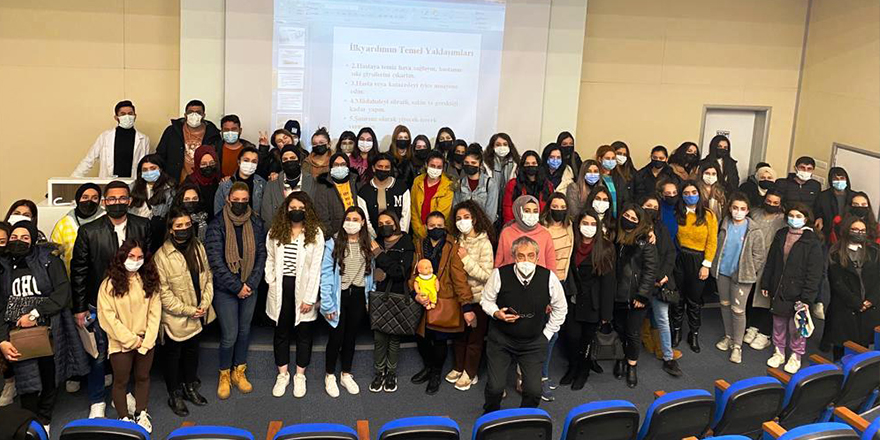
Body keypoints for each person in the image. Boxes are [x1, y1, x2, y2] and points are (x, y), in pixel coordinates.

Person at [71, 180, 150, 418]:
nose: (117, 203)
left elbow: (148, 263)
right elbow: (79, 271)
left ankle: (122, 393)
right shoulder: (89, 231)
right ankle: (97, 400)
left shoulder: (142, 226)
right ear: (105, 202)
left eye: (122, 198)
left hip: (132, 305)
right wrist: (79, 308)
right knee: (98, 354)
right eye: (112, 199)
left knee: (124, 352)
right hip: (98, 304)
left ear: (129, 200)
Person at [0, 220, 89, 432]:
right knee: (26, 378)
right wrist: (2, 339)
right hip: (17, 332)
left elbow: (62, 292)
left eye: (25, 238)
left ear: (33, 239)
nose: (18, 241)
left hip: (49, 328)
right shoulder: (3, 266)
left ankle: (45, 419)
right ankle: (29, 424)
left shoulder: (49, 260)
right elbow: (1, 305)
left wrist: (35, 313)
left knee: (50, 373)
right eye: (14, 237)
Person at [480, 236, 567, 413]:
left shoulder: (549, 278)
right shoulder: (499, 274)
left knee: (534, 391)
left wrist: (547, 334)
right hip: (501, 340)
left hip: (533, 342)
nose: (526, 260)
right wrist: (496, 313)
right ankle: (489, 415)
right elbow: (486, 300)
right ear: (514, 257)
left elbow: (561, 308)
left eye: (530, 255)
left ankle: (525, 418)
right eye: (520, 256)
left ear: (537, 257)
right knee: (495, 388)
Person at [204, 182, 267, 399]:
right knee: (230, 335)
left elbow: (262, 255)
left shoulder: (256, 222)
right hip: (226, 289)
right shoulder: (216, 224)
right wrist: (237, 286)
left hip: (250, 286)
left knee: (244, 331)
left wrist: (250, 284)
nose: (240, 203)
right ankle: (224, 373)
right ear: (228, 199)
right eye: (236, 200)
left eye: (244, 200)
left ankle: (239, 371)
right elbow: (215, 261)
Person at [153, 208, 213, 416]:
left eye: (188, 224)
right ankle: (174, 394)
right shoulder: (161, 256)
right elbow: (164, 294)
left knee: (192, 353)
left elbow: (207, 277)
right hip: (175, 319)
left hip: (198, 314)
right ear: (171, 229)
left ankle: (190, 387)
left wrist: (205, 303)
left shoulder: (198, 247)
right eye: (179, 226)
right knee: (172, 358)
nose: (184, 229)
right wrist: (189, 310)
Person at [97, 239, 161, 431]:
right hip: (120, 343)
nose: (135, 261)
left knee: (143, 377)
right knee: (121, 381)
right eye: (131, 256)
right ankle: (124, 418)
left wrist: (147, 341)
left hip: (146, 341)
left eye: (139, 257)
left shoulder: (149, 281)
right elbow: (108, 318)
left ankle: (141, 413)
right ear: (122, 257)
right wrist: (132, 340)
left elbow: (155, 313)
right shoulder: (108, 285)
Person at [265, 192, 324, 399]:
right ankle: (283, 375)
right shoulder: (275, 230)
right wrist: (271, 280)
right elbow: (270, 258)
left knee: (304, 333)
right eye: (292, 208)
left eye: (300, 208)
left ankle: (300, 375)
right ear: (286, 209)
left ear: (307, 210)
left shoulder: (315, 233)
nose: (296, 211)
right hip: (281, 287)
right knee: (281, 332)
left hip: (305, 289)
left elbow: (316, 268)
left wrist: (309, 298)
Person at [409, 211, 474, 394]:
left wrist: (466, 305)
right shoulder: (419, 244)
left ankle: (436, 373)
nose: (436, 229)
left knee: (439, 339)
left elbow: (459, 278)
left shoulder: (451, 246)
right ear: (426, 227)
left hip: (443, 298)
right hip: (422, 297)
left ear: (445, 226)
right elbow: (413, 272)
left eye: (439, 226)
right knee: (421, 337)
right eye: (432, 226)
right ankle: (428, 367)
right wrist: (415, 293)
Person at [319, 206, 375, 397]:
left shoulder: (368, 243)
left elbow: (371, 273)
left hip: (358, 296)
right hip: (339, 296)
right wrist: (327, 304)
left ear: (363, 222)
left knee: (351, 337)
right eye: (348, 219)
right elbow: (326, 275)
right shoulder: (333, 243)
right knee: (336, 337)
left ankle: (346, 374)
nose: (351, 223)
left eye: (355, 219)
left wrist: (369, 296)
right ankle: (329, 375)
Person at [762, 203, 823, 373]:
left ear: (806, 219)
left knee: (796, 326)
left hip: (799, 291)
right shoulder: (781, 234)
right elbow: (771, 261)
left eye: (798, 216)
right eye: (791, 215)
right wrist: (766, 282)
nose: (794, 219)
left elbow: (815, 273)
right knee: (778, 323)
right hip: (779, 287)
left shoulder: (812, 241)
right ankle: (779, 352)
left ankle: (796, 355)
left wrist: (807, 297)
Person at [560, 209, 615, 389]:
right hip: (573, 300)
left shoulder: (605, 247)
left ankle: (583, 372)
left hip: (593, 303)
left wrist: (606, 314)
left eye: (593, 224)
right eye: (585, 223)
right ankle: (572, 367)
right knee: (572, 337)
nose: (589, 227)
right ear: (578, 225)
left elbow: (608, 283)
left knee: (587, 340)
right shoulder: (571, 244)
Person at [710, 193, 767, 364]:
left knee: (738, 310)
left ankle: (737, 346)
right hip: (723, 272)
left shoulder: (754, 230)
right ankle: (728, 336)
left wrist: (748, 270)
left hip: (742, 277)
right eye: (735, 208)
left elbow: (759, 256)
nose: (738, 211)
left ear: (748, 211)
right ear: (730, 208)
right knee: (725, 305)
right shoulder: (723, 224)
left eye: (742, 209)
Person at [446, 201, 494, 392]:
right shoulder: (456, 240)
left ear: (474, 219)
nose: (462, 221)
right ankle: (459, 367)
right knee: (459, 336)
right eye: (458, 218)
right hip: (460, 298)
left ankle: (470, 372)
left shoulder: (484, 242)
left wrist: (465, 259)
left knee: (475, 339)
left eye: (466, 217)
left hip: (478, 299)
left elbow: (487, 275)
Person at [611, 204, 657, 388]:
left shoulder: (645, 240)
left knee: (633, 332)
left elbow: (650, 271)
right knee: (620, 329)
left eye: (634, 218)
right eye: (627, 216)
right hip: (617, 294)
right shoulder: (616, 237)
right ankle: (621, 358)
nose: (629, 220)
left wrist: (642, 296)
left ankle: (632, 365)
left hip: (636, 296)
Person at [369, 210, 415, 393]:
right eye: (380, 224)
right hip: (378, 294)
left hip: (397, 294)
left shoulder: (406, 241)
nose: (384, 226)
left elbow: (400, 272)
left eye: (387, 222)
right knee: (379, 337)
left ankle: (391, 373)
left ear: (395, 223)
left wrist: (379, 254)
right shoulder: (377, 241)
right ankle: (379, 372)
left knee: (394, 337)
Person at [670, 181, 718, 353]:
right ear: (681, 196)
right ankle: (676, 331)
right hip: (679, 258)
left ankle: (694, 333)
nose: (690, 195)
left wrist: (706, 264)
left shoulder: (709, 215)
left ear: (699, 194)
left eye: (693, 192)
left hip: (698, 260)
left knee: (694, 300)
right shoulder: (676, 213)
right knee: (677, 298)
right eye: (686, 193)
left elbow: (712, 241)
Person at [823, 216, 880, 361]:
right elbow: (837, 283)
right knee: (841, 349)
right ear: (847, 230)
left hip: (869, 306)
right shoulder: (835, 252)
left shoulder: (875, 251)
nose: (859, 233)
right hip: (844, 307)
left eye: (862, 230)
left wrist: (870, 301)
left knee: (862, 348)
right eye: (855, 229)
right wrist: (856, 303)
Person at [639, 195, 682, 376]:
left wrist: (662, 275)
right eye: (648, 205)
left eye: (655, 207)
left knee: (663, 319)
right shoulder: (634, 229)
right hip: (640, 283)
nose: (651, 209)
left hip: (660, 282)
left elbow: (670, 253)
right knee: (634, 320)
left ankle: (668, 357)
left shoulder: (662, 228)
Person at [539, 193, 573, 400]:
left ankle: (539, 374)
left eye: (562, 206)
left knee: (554, 333)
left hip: (562, 284)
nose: (559, 210)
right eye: (555, 206)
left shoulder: (570, 226)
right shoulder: (542, 229)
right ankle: (540, 376)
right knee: (547, 334)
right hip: (546, 286)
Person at [743, 190, 786, 352]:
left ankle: (764, 332)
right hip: (751, 260)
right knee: (750, 295)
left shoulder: (783, 220)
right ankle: (752, 326)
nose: (771, 205)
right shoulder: (754, 214)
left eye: (775, 203)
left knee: (765, 297)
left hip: (770, 263)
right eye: (769, 201)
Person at [73, 100, 150, 178]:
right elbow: (89, 160)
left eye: (130, 114)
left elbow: (147, 164)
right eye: (123, 114)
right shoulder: (105, 137)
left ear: (135, 116)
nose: (127, 117)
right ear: (116, 117)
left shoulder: (144, 139)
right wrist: (73, 179)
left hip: (133, 181)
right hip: (109, 181)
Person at [156, 100, 221, 182]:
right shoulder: (172, 131)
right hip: (176, 180)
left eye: (198, 112)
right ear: (185, 115)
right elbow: (160, 155)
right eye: (190, 112)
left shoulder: (213, 134)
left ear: (203, 115)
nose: (194, 115)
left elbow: (218, 159)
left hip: (203, 181)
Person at [50, 183, 104, 271]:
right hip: (71, 275)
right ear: (78, 199)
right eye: (85, 197)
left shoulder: (106, 220)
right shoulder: (64, 223)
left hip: (103, 276)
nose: (89, 201)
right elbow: (54, 253)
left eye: (94, 198)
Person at [128, 154, 177, 253]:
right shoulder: (132, 187)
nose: (149, 172)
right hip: (135, 232)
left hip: (157, 234)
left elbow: (171, 214)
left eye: (153, 168)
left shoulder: (170, 189)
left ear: (161, 169)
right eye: (145, 170)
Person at [496, 195, 557, 272]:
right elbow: (499, 263)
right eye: (527, 211)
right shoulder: (506, 233)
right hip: (511, 277)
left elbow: (551, 265)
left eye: (535, 211)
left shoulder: (545, 234)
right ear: (519, 211)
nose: (531, 214)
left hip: (539, 278)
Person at [357, 153, 411, 236]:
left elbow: (406, 214)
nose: (383, 169)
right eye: (380, 166)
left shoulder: (401, 187)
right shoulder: (364, 192)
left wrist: (400, 235)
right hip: (373, 237)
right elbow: (366, 220)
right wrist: (374, 237)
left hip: (399, 236)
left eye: (387, 167)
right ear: (373, 168)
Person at [262, 145, 314, 225]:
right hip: (278, 230)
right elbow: (267, 213)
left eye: (292, 158)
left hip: (307, 229)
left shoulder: (312, 181)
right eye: (285, 159)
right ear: (282, 163)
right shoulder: (272, 183)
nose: (289, 161)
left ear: (299, 161)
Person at [410, 151, 455, 242]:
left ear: (443, 168)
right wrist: (418, 230)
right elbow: (413, 208)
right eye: (432, 166)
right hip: (417, 235)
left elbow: (442, 214)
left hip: (438, 234)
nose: (435, 169)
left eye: (439, 167)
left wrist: (424, 232)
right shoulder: (417, 181)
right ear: (426, 165)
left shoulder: (448, 186)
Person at [501, 151, 555, 224]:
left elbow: (549, 209)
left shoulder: (548, 185)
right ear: (522, 166)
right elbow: (508, 209)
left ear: (539, 165)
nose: (531, 166)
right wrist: (511, 226)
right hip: (517, 225)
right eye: (527, 164)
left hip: (541, 225)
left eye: (534, 163)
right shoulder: (513, 184)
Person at [314, 153, 359, 237]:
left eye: (343, 164)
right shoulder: (323, 186)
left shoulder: (355, 181)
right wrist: (331, 234)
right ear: (331, 167)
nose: (339, 167)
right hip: (334, 234)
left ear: (348, 166)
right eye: (336, 164)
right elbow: (322, 215)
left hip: (357, 230)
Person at [214, 146, 266, 216]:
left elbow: (265, 210)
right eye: (246, 160)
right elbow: (218, 211)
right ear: (239, 162)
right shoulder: (225, 184)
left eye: (254, 162)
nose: (250, 164)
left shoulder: (262, 183)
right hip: (229, 222)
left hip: (254, 221)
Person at [453, 145, 499, 223]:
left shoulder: (490, 184)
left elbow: (491, 214)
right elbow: (455, 208)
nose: (470, 165)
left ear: (480, 165)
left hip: (484, 226)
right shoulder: (459, 183)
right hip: (463, 224)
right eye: (466, 162)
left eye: (473, 163)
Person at [485, 133, 520, 225]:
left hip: (509, 205)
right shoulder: (485, 163)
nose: (502, 147)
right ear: (492, 147)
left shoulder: (517, 163)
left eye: (505, 144)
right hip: (490, 205)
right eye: (498, 145)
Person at [814, 167, 854, 241]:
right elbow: (817, 211)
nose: (839, 181)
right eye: (836, 179)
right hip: (828, 233)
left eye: (842, 178)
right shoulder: (823, 196)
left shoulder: (854, 196)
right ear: (831, 181)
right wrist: (819, 218)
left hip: (848, 233)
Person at [184, 145, 221, 223]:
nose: (208, 166)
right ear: (197, 164)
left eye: (211, 163)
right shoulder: (190, 182)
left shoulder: (220, 179)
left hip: (218, 223)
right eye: (203, 164)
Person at [595, 145, 630, 218]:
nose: (611, 161)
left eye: (613, 158)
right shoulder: (595, 177)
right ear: (600, 159)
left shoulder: (619, 177)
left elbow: (625, 199)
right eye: (607, 158)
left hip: (617, 218)